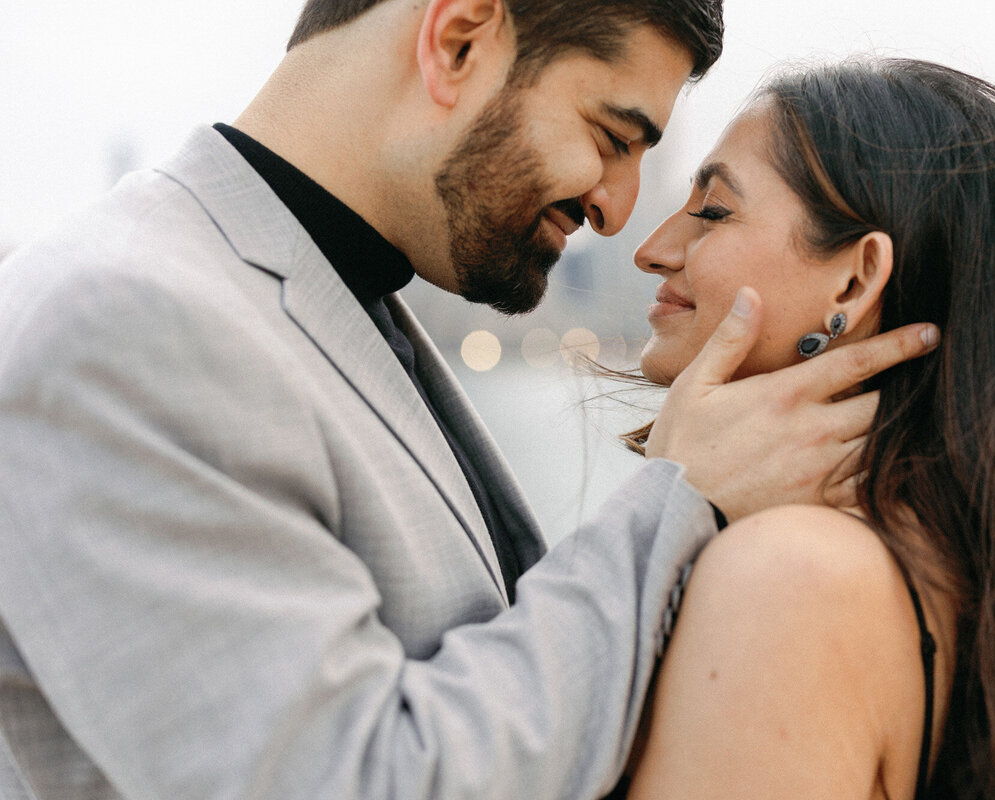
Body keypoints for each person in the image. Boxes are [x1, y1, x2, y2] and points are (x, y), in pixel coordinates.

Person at [0, 3, 938, 799]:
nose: (620, 211)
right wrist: (677, 500)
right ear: (456, 40)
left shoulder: (328, 301)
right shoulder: (122, 322)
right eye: (613, 138)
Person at [615, 59, 995, 800]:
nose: (653, 249)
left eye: (713, 212)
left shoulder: (790, 577)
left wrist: (665, 502)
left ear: (855, 282)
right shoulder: (919, 553)